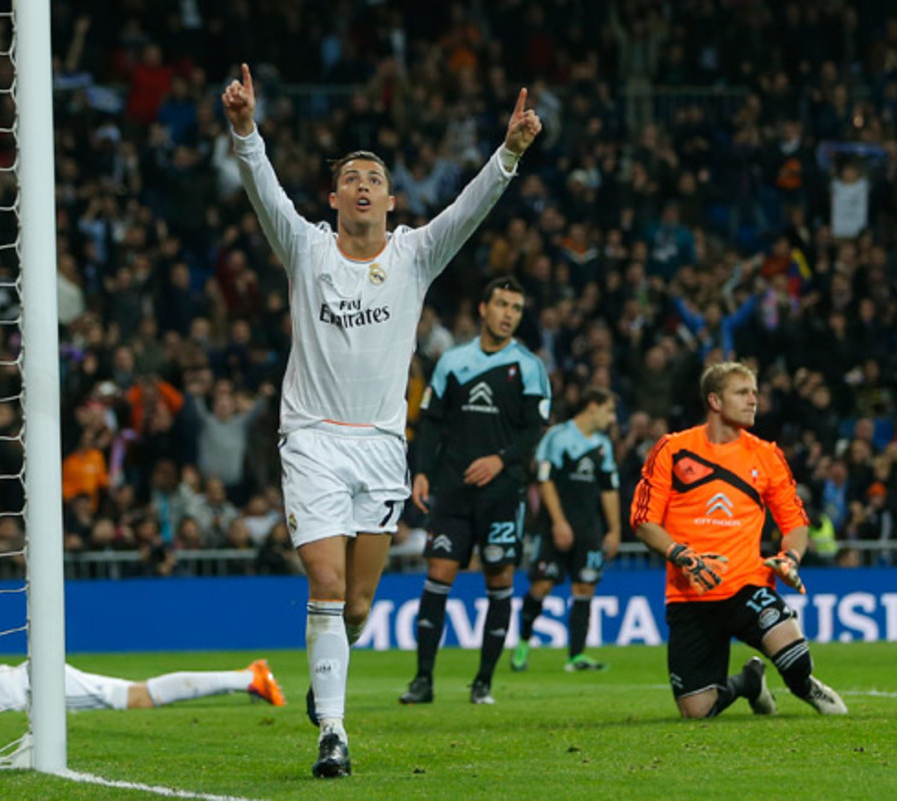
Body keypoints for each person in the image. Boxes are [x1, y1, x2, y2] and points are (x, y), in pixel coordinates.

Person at [221, 63, 541, 777]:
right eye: (352, 177)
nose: (363, 184)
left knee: (359, 605)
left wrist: (510, 152)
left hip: (381, 449)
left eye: (375, 177)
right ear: (333, 197)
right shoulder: (303, 248)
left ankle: (326, 675)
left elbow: (471, 206)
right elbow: (261, 188)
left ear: (392, 201)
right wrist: (245, 130)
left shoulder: (414, 255)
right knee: (327, 585)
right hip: (311, 439)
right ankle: (333, 730)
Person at [630, 361, 847, 719]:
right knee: (697, 713)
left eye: (755, 393)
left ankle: (805, 685)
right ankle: (749, 682)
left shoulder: (767, 455)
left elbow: (795, 522)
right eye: (742, 393)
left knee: (794, 660)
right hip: (690, 595)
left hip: (746, 584)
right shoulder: (672, 450)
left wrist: (790, 557)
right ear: (714, 401)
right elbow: (642, 521)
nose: (753, 401)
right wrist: (682, 555)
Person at [398, 277, 551, 707]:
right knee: (438, 575)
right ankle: (422, 680)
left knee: (499, 577)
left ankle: (483, 682)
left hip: (503, 493)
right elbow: (431, 421)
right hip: (452, 489)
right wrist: (423, 472)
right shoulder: (452, 361)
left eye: (516, 308)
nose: (508, 314)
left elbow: (533, 428)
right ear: (483, 308)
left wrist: (500, 460)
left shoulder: (528, 366)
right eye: (502, 304)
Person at [0, 636, 285, 713]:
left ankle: (248, 677)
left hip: (31, 690)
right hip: (27, 686)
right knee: (137, 694)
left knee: (138, 696)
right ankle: (247, 677)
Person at [512, 387, 621, 673]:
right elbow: (544, 482)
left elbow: (609, 489)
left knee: (585, 586)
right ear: (592, 406)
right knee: (542, 585)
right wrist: (559, 522)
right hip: (553, 528)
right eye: (608, 410)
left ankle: (576, 655)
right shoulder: (558, 437)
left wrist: (615, 529)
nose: (611, 418)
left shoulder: (602, 445)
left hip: (589, 529)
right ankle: (523, 641)